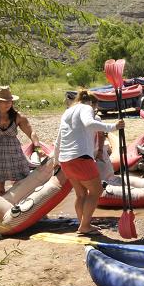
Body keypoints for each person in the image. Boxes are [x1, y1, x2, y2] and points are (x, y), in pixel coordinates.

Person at [54, 90, 124, 235]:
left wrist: (56, 160)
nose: (94, 110)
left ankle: (84, 225)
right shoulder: (86, 108)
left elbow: (58, 139)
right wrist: (113, 127)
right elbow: (89, 123)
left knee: (81, 194)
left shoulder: (67, 112)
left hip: (65, 159)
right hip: (80, 157)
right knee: (96, 190)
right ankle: (85, 225)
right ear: (92, 103)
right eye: (95, 107)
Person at [0, 85, 42, 195]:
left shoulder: (18, 116)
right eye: (4, 101)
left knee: (24, 181)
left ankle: (20, 208)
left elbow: (31, 133)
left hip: (13, 155)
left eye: (10, 101)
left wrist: (38, 149)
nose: (8, 103)